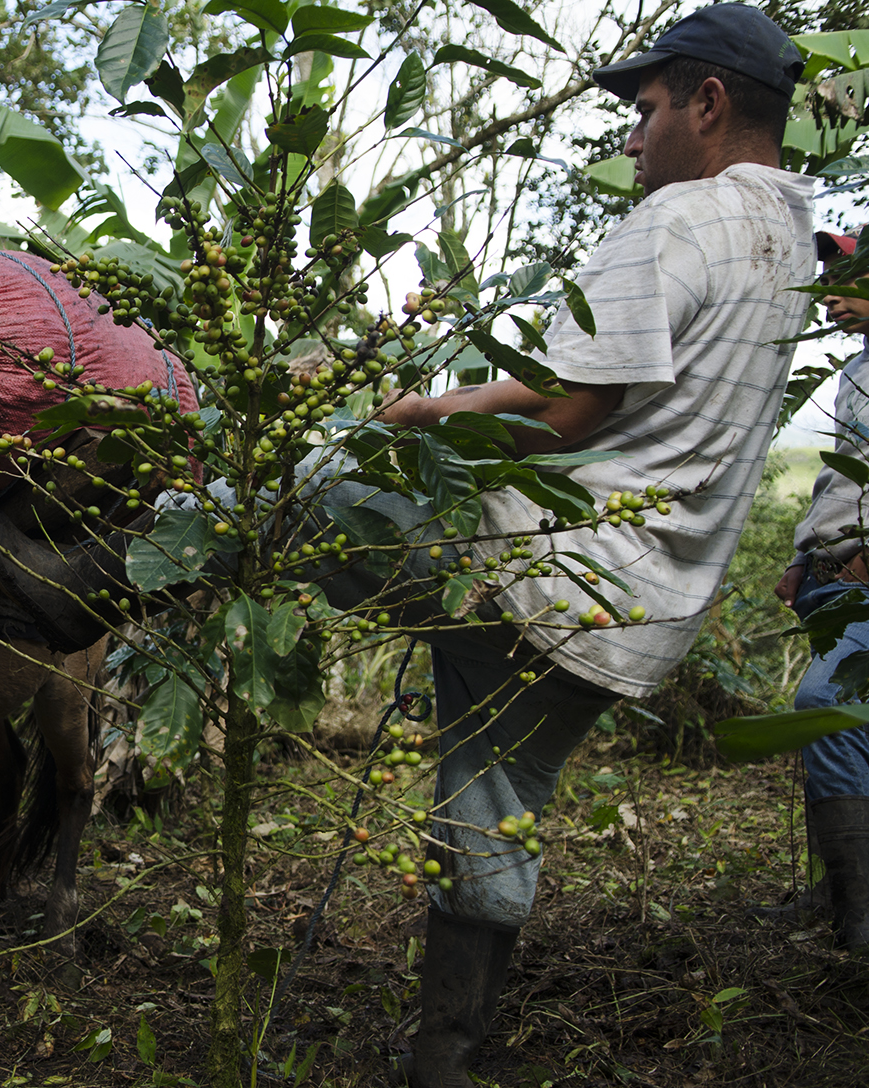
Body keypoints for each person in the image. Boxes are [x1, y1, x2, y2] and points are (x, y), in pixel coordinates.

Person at [324, 6, 812, 1083]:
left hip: (529, 571)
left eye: (643, 112)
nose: (630, 139)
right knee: (490, 810)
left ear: (707, 103)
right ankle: (442, 1058)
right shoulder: (792, 247)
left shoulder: (683, 216)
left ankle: (69, 580)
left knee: (286, 491)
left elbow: (559, 412)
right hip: (626, 625)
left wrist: (413, 415)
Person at [772, 229, 869, 951]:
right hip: (830, 579)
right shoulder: (855, 372)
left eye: (848, 278)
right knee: (842, 732)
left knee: (824, 707)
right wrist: (805, 555)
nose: (830, 294)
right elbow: (843, 476)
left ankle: (856, 924)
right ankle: (835, 891)